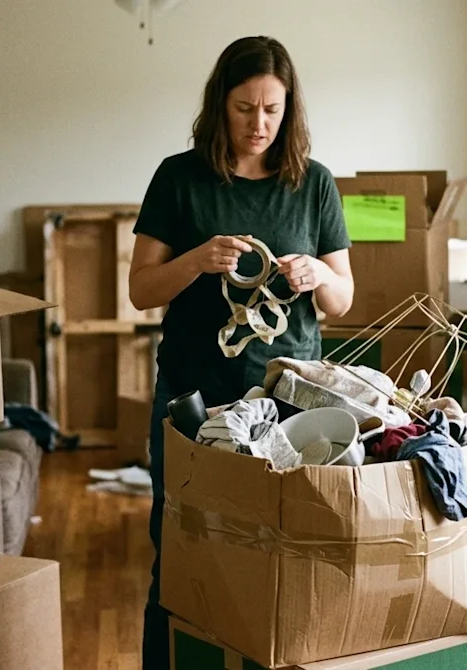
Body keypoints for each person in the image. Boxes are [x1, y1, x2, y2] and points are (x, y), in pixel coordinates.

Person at [128, 35, 354, 668]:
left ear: (290, 111)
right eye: (244, 108)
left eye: (272, 111)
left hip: (287, 403)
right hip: (194, 400)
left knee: (284, 553)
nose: (259, 125)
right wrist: (196, 261)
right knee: (181, 549)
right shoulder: (179, 178)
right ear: (219, 105)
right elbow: (140, 290)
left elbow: (342, 300)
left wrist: (317, 276)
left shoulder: (313, 185)